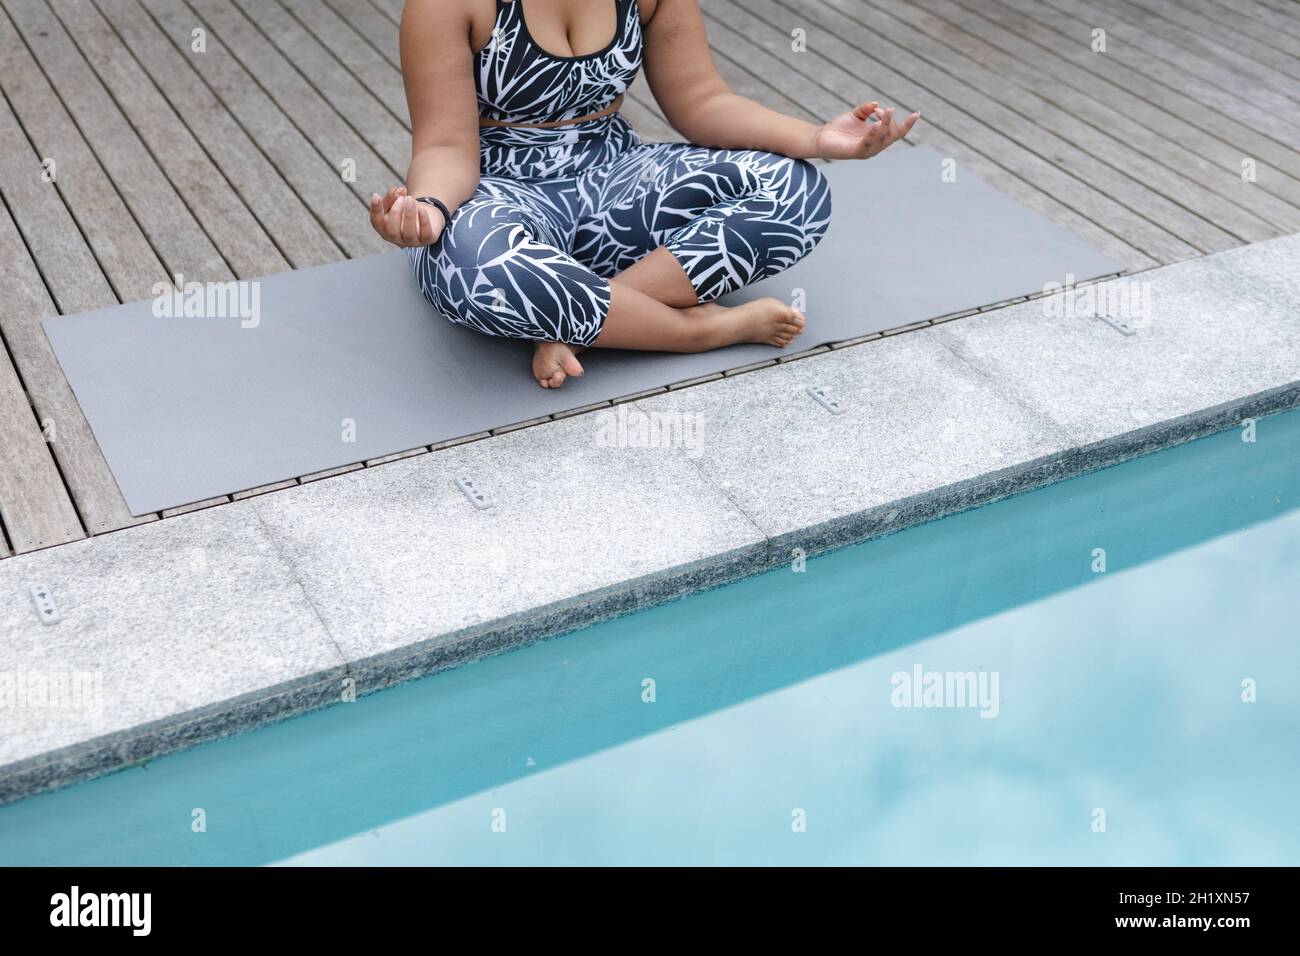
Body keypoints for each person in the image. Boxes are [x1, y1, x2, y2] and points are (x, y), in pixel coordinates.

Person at [370, 0, 918, 388]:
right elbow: (445, 144)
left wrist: (817, 139)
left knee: (794, 190)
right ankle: (696, 330)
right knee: (479, 270)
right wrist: (431, 207)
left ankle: (581, 327)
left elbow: (701, 101)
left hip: (617, 178)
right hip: (501, 192)